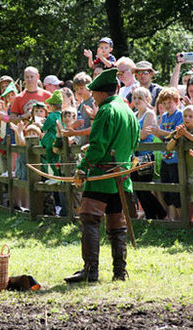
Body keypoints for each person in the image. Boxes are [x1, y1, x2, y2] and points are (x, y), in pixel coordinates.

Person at [64, 68, 139, 283]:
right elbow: (134, 143)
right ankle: (119, 272)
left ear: (101, 93)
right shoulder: (126, 110)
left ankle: (90, 270)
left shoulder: (106, 110)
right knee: (117, 224)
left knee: (89, 218)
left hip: (103, 176)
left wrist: (83, 168)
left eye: (94, 92)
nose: (93, 97)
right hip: (121, 177)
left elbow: (98, 146)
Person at [167, 105, 193, 222]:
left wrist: (185, 134)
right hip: (187, 170)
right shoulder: (182, 128)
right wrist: (177, 136)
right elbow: (169, 147)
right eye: (185, 116)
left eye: (191, 116)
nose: (187, 118)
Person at [131, 87, 166, 220]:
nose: (137, 100)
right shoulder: (134, 115)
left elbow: (144, 134)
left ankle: (161, 214)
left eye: (140, 98)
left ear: (147, 99)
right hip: (135, 156)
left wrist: (131, 136)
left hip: (146, 155)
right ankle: (150, 215)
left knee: (145, 188)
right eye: (134, 98)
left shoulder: (149, 114)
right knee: (138, 188)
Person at [150, 87, 184, 220]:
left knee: (177, 191)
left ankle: (182, 220)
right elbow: (165, 138)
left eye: (170, 102)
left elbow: (177, 134)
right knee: (167, 192)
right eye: (164, 103)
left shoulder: (179, 114)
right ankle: (172, 219)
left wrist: (160, 132)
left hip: (176, 159)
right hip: (166, 157)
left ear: (176, 101)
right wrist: (156, 134)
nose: (167, 105)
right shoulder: (163, 117)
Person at [62, 72, 95, 145]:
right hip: (81, 141)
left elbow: (94, 126)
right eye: (76, 89)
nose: (79, 91)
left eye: (81, 88)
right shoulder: (80, 105)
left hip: (91, 142)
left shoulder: (94, 102)